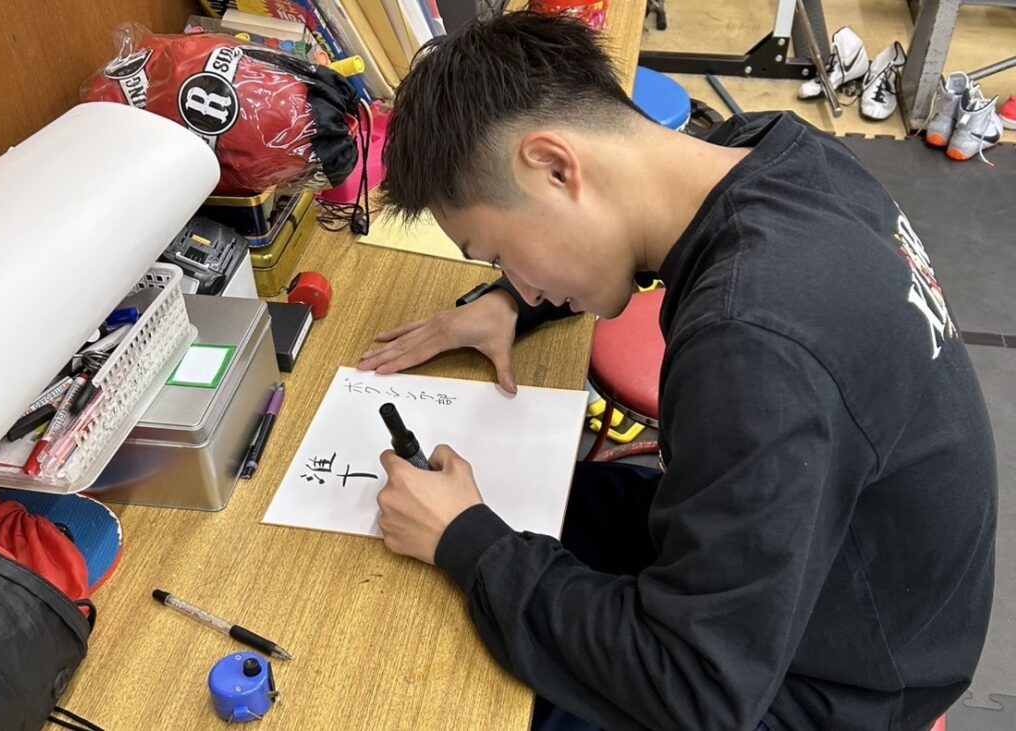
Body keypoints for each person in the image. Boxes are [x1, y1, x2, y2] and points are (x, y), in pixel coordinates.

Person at [359, 11, 997, 731]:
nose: (527, 286)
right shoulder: (775, 151)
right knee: (531, 496)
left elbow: (697, 691)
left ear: (556, 167)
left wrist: (466, 542)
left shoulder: (751, 346)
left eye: (501, 254)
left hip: (837, 680)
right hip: (846, 558)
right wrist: (510, 302)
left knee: (464, 696)